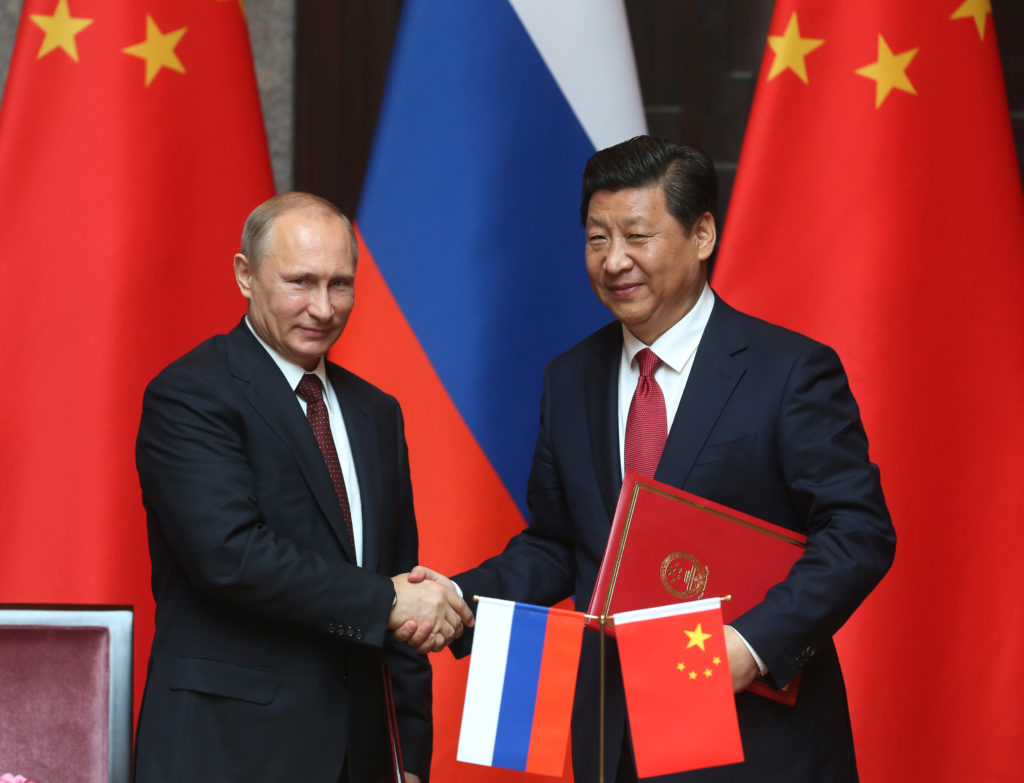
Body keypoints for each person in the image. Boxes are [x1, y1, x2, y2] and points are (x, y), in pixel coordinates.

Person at [415, 136, 896, 781]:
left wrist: (748, 648)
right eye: (596, 238)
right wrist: (455, 596)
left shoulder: (790, 372)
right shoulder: (569, 378)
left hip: (754, 734)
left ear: (701, 235)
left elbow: (859, 534)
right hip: (617, 739)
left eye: (637, 236)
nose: (615, 262)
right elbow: (562, 544)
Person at [133, 192, 473, 782]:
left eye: (340, 284)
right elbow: (230, 556)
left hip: (361, 756)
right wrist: (389, 602)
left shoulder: (377, 413)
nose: (322, 307)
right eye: (300, 282)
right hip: (228, 753)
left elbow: (401, 576)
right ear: (245, 275)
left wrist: (406, 756)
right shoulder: (190, 394)